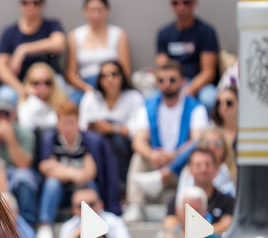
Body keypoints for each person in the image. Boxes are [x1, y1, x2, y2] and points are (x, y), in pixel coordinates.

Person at [124, 60, 209, 222]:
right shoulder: (147, 107)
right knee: (138, 158)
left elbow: (197, 140)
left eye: (172, 80)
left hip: (181, 163)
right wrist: (153, 155)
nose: (167, 84)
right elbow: (139, 141)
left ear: (182, 82)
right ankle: (135, 206)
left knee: (197, 158)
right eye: (162, 80)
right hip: (157, 162)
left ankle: (185, 211)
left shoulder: (196, 107)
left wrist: (175, 156)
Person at [35, 102, 98, 238]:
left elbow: (89, 173)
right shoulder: (51, 139)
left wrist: (60, 169)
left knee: (91, 185)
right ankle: (45, 224)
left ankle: (93, 222)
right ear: (58, 123)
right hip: (59, 191)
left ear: (78, 122)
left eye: (72, 123)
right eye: (64, 123)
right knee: (52, 183)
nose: (68, 127)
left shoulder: (87, 141)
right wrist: (74, 173)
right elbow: (46, 169)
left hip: (80, 189)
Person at [78, 60, 144, 187]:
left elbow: (138, 130)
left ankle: (120, 185)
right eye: (105, 76)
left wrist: (112, 128)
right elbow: (82, 126)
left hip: (124, 145)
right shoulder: (91, 97)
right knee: (95, 141)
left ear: (122, 76)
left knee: (117, 141)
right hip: (96, 142)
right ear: (99, 79)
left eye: (114, 74)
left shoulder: (134, 97)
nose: (110, 79)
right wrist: (97, 127)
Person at [155, 0, 220, 112]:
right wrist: (173, 86)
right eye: (176, 2)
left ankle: (206, 132)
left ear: (194, 2)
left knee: (209, 99)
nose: (181, 7)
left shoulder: (206, 32)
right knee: (150, 99)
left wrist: (190, 89)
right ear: (170, 4)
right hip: (172, 82)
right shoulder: (163, 33)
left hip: (200, 84)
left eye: (186, 2)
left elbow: (208, 72)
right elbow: (162, 67)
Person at [0, 0, 66, 100]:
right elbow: (1, 67)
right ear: (20, 4)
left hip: (49, 83)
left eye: (35, 2)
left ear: (42, 4)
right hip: (20, 84)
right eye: (25, 2)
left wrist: (24, 49)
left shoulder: (52, 25)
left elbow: (59, 44)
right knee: (4, 97)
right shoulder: (9, 32)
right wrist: (21, 89)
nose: (30, 6)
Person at [64, 0, 131, 104]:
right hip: (84, 86)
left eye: (99, 10)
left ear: (107, 11)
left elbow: (125, 70)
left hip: (111, 84)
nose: (95, 15)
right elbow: (71, 73)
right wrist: (87, 88)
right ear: (85, 11)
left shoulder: (119, 34)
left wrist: (109, 87)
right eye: (91, 10)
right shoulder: (75, 36)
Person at [0, 93, 38, 227]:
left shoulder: (26, 134)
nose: (2, 119)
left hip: (16, 175)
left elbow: (23, 164)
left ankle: (28, 222)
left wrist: (11, 138)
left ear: (13, 116)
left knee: (25, 177)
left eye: (6, 114)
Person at [57, 187, 136, 238]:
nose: (87, 209)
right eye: (81, 206)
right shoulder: (69, 227)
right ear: (73, 209)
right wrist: (79, 232)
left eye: (91, 204)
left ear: (101, 204)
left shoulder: (114, 223)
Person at [17, 62, 68, 133]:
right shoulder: (25, 103)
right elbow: (27, 126)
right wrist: (33, 98)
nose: (42, 87)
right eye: (36, 83)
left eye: (47, 82)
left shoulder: (60, 102)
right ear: (29, 84)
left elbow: (57, 124)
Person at [210, 85, 238, 152]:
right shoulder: (212, 130)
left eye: (229, 103)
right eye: (219, 103)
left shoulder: (247, 131)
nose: (223, 107)